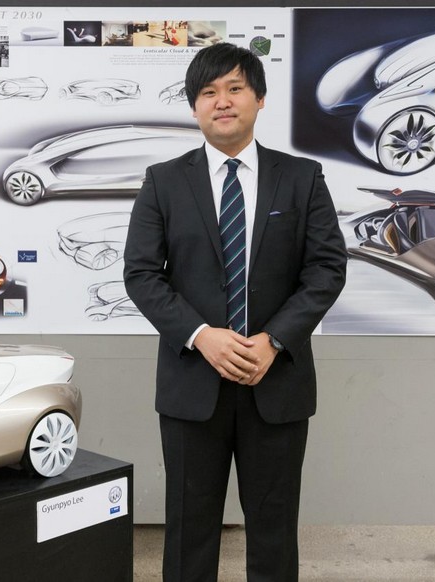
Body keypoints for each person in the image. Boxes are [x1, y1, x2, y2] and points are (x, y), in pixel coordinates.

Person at [123, 43, 347, 582]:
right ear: (194, 107)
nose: (221, 101)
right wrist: (202, 335)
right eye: (208, 92)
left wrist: (274, 340)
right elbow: (142, 274)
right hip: (192, 384)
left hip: (275, 381)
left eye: (234, 88)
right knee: (188, 531)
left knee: (274, 530)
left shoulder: (302, 177)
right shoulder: (164, 181)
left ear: (259, 98)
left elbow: (326, 269)